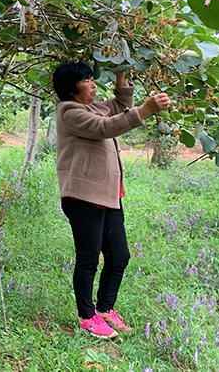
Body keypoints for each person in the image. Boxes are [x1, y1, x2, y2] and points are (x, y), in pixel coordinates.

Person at [52, 62, 171, 339]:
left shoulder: (93, 106)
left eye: (93, 79)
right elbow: (106, 127)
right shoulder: (70, 112)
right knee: (88, 259)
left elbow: (118, 104)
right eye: (87, 81)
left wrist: (121, 75)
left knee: (119, 256)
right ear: (72, 89)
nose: (93, 84)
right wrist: (145, 110)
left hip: (108, 194)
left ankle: (105, 309)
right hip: (82, 196)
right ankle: (86, 316)